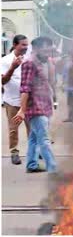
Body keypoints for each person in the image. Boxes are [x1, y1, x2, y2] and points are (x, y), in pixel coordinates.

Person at [12, 36, 57, 173]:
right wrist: (22, 110)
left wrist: (54, 100)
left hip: (44, 105)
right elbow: (24, 88)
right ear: (36, 48)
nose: (48, 51)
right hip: (36, 108)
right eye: (45, 48)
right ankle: (53, 168)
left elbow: (49, 83)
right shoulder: (29, 63)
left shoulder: (43, 62)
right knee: (44, 139)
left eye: (50, 48)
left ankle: (31, 164)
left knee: (33, 138)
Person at [1, 34, 30, 165]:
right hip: (12, 100)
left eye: (27, 44)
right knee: (13, 128)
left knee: (32, 128)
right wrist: (13, 67)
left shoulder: (29, 58)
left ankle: (33, 151)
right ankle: (14, 152)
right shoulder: (5, 61)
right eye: (23, 44)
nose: (26, 47)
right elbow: (3, 80)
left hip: (28, 100)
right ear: (15, 45)